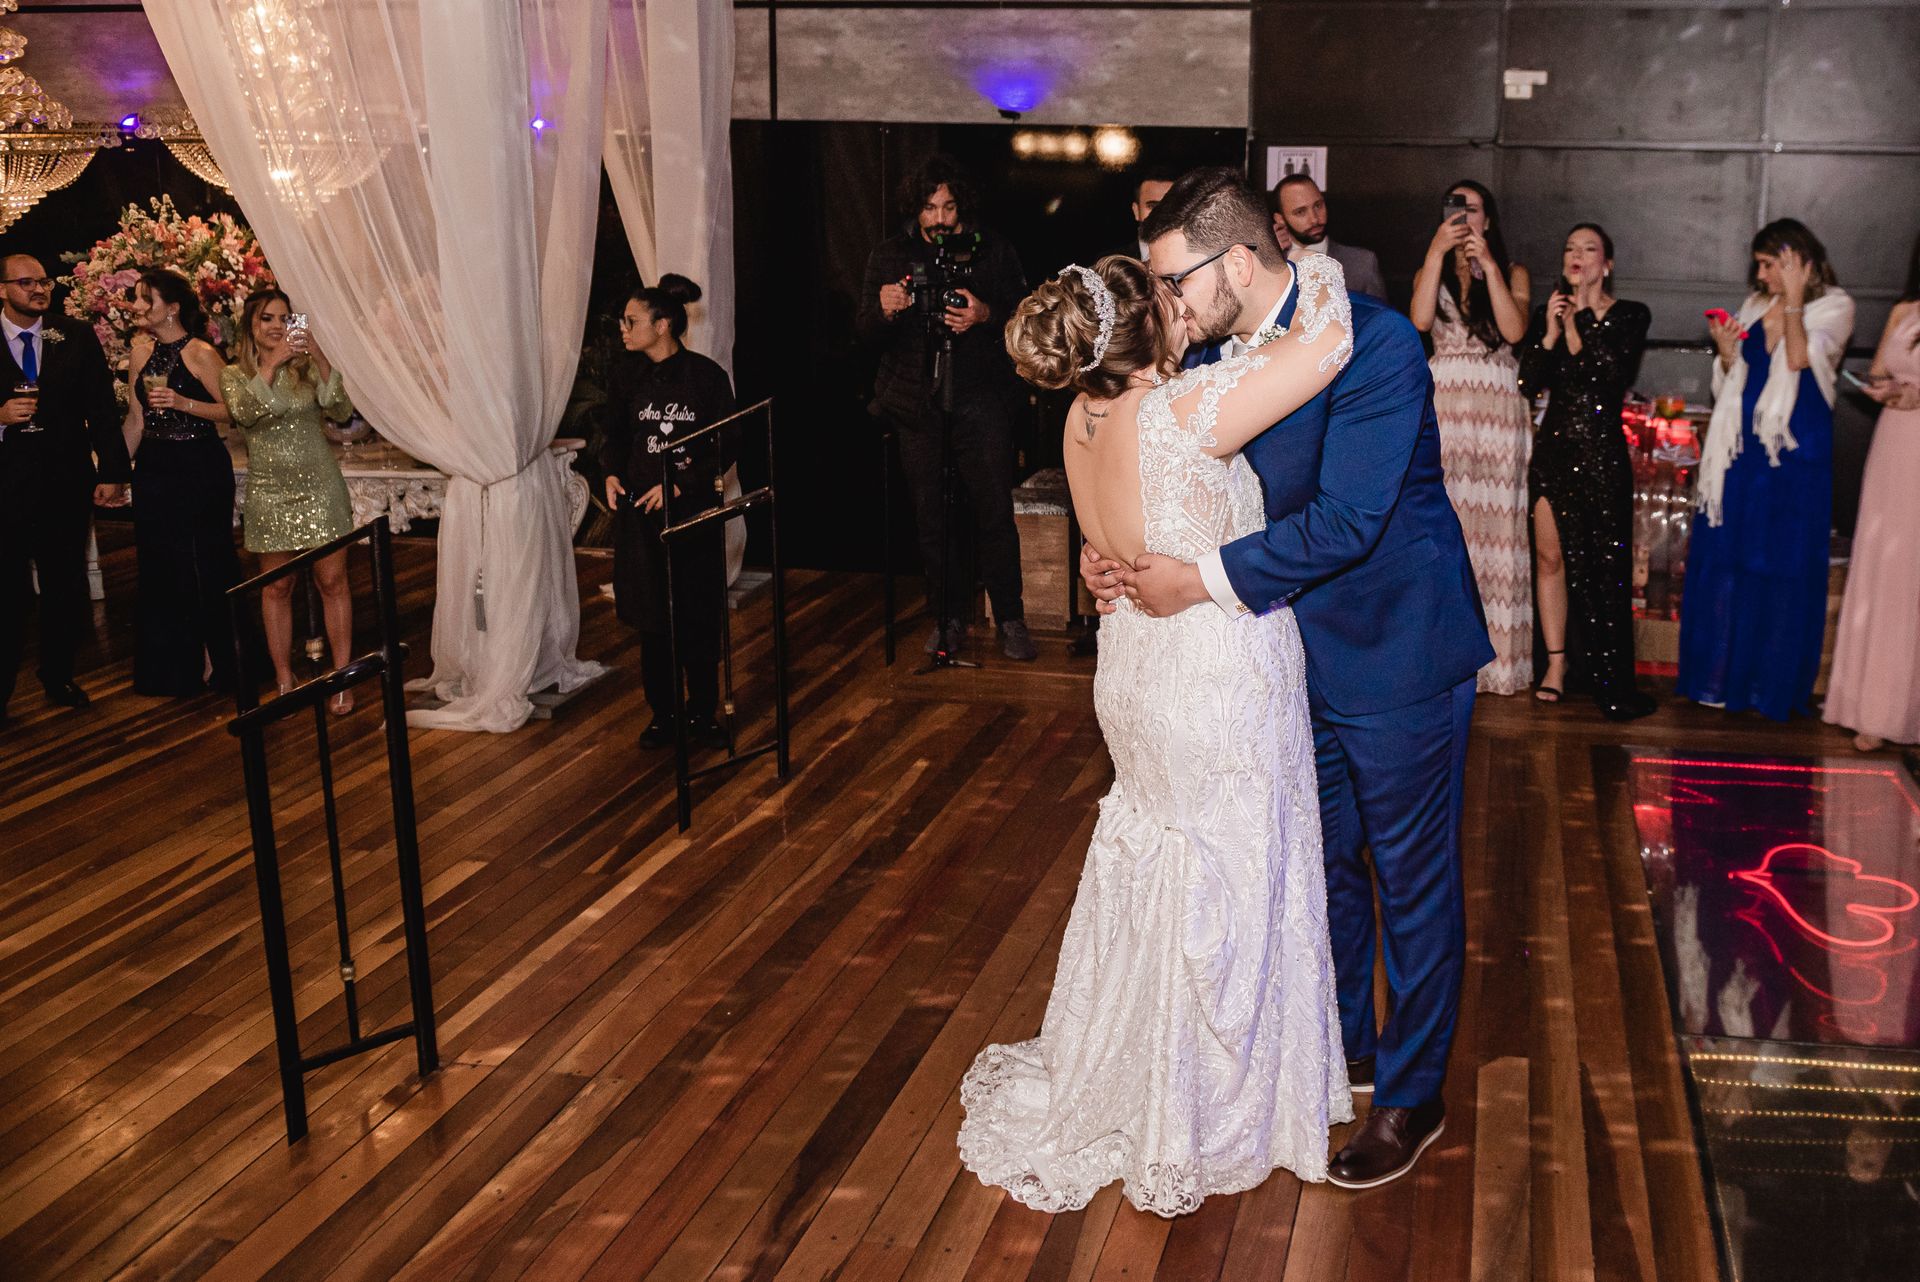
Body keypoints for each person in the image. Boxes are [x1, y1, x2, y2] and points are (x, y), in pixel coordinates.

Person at [1091, 169, 1493, 1189]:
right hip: (1278, 662)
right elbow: (1177, 482)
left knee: (1411, 881)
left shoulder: (1373, 344)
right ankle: (1345, 1044)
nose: (1166, 306)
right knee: (1322, 861)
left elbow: (1348, 523)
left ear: (1235, 260)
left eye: (1175, 281)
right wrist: (1116, 555)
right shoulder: (1218, 357)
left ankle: (1412, 1097)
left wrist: (1200, 581)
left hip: (1396, 650)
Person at [960, 251, 1355, 1213]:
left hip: (1135, 667)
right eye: (1174, 299)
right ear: (1152, 329)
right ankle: (1199, 1110)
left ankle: (1139, 1075)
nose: (1188, 310)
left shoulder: (1080, 417)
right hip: (1211, 671)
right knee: (1227, 871)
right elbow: (1332, 342)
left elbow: (1109, 543)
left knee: (1160, 857)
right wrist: (1306, 259)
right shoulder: (1184, 409)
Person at [858, 154, 1036, 661]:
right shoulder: (890, 255)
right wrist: (886, 310)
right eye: (930, 208)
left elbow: (1027, 317)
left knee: (994, 512)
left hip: (981, 398)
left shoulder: (992, 250)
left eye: (949, 207)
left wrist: (984, 313)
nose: (940, 219)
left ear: (962, 207)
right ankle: (947, 617)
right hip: (916, 404)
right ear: (916, 210)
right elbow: (864, 332)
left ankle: (1010, 617)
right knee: (932, 518)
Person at [1680, 220, 1853, 720]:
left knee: (1782, 566)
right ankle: (1718, 680)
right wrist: (1728, 351)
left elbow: (1800, 359)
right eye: (1758, 264)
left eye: (1769, 263)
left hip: (1796, 454)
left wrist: (1795, 299)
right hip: (1743, 453)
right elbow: (1734, 378)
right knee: (1734, 561)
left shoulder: (1836, 306)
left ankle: (1768, 687)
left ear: (1798, 260)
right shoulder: (1755, 305)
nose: (1761, 273)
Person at [1517, 223, 1657, 721]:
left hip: (1601, 455)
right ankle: (1554, 666)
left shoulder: (1629, 316)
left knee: (1604, 569)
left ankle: (1608, 678)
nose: (1577, 256)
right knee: (1550, 559)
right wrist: (1551, 332)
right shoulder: (1548, 313)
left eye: (1589, 248)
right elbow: (1527, 382)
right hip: (1553, 452)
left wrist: (1575, 328)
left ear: (1608, 264)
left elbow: (1607, 379)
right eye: (1570, 247)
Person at [601, 275, 736, 750]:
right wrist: (613, 472)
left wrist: (680, 482)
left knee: (696, 614)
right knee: (652, 617)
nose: (623, 329)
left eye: (632, 321)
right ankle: (664, 713)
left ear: (662, 325)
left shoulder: (706, 378)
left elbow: (727, 442)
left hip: (693, 516)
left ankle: (703, 711)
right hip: (641, 520)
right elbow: (616, 434)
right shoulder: (627, 375)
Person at [1410, 180, 1533, 695]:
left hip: (1497, 407)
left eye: (1474, 209)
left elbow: (1514, 330)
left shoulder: (1513, 271)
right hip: (1446, 406)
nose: (1465, 218)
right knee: (1450, 528)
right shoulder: (1430, 266)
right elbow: (1417, 320)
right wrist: (1438, 253)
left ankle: (1500, 663)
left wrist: (1490, 269)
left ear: (1490, 218)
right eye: (1456, 209)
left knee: (1498, 530)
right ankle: (1450, 660)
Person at [0, 252, 130, 720]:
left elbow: (100, 406)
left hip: (64, 483)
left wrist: (113, 472)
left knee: (65, 587)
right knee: (7, 593)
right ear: (2, 290)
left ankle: (58, 674)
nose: (39, 289)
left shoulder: (73, 335)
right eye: (25, 282)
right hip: (5, 489)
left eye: (44, 282)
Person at [222, 289, 357, 712]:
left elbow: (339, 410)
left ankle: (342, 678)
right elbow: (244, 413)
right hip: (269, 491)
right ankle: (283, 677)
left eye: (285, 318)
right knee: (277, 587)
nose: (277, 326)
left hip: (320, 486)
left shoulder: (306, 369)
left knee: (332, 582)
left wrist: (319, 357)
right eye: (267, 318)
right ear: (251, 325)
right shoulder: (233, 374)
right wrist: (271, 364)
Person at [128, 269, 242, 697]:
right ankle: (174, 669)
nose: (137, 307)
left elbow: (230, 413)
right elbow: (136, 421)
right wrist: (116, 472)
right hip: (156, 466)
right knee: (161, 564)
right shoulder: (140, 355)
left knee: (204, 560)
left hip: (198, 463)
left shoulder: (201, 353)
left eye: (146, 299)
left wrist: (182, 402)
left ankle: (221, 661)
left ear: (171, 307)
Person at [1825, 234, 1920, 750]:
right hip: (1896, 444)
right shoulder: (1906, 308)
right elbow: (1881, 368)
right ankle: (1875, 709)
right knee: (1887, 567)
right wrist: (1882, 386)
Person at [1271, 173, 1387, 300]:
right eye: (1300, 212)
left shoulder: (1362, 263)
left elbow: (1381, 318)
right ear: (1280, 219)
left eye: (1318, 206)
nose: (1314, 219)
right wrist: (1270, 254)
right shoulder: (1270, 263)